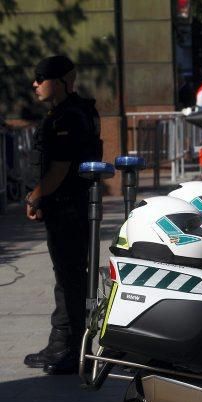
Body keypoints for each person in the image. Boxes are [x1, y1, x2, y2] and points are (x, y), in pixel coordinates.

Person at [23, 55, 102, 375]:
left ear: (61, 81)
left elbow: (59, 170)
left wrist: (34, 198)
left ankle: (71, 350)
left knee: (70, 278)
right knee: (67, 276)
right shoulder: (71, 112)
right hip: (69, 205)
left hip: (68, 206)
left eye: (41, 77)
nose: (35, 84)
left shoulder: (67, 118)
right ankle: (62, 343)